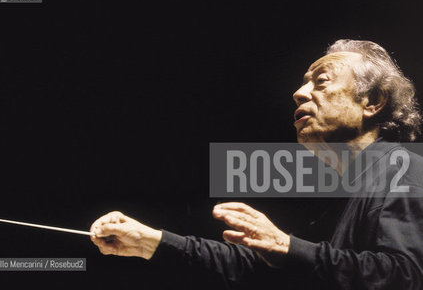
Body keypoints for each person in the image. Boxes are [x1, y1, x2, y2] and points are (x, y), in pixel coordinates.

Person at [90, 39, 423, 289]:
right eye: (303, 82)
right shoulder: (346, 193)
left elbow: (407, 277)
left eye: (321, 81)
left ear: (373, 102)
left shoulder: (402, 168)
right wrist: (151, 241)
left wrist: (285, 246)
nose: (299, 92)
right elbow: (262, 265)